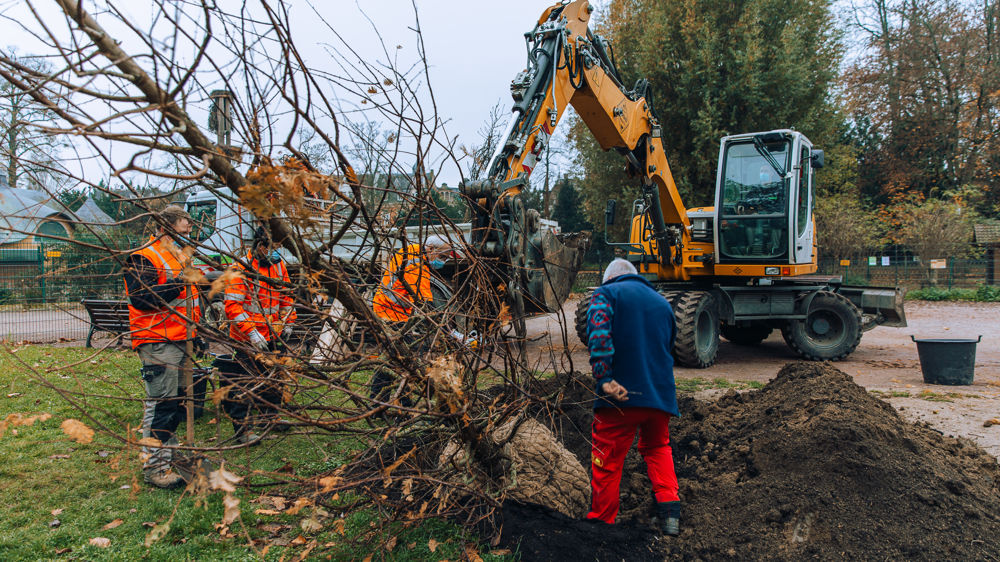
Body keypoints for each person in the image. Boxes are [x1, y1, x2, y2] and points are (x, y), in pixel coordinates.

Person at [584, 258, 681, 536]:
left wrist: (604, 378)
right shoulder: (663, 303)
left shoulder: (607, 293)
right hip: (660, 397)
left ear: (609, 278)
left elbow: (598, 333)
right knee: (657, 447)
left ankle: (601, 523)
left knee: (608, 459)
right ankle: (670, 513)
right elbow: (668, 346)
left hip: (621, 397)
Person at [124, 205, 201, 489]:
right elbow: (141, 298)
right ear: (164, 227)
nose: (188, 234)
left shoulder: (179, 256)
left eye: (190, 230)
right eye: (183, 230)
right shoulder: (145, 256)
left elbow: (188, 299)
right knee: (160, 405)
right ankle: (155, 468)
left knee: (175, 403)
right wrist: (181, 281)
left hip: (181, 339)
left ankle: (168, 455)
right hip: (157, 341)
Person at [220, 225, 297, 444]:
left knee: (273, 379)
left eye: (279, 247)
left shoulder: (278, 265)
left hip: (274, 334)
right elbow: (233, 306)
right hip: (247, 338)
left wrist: (288, 321)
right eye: (273, 247)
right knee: (243, 383)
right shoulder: (240, 269)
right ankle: (243, 430)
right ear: (261, 246)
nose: (277, 251)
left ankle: (270, 417)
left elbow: (287, 295)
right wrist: (252, 332)